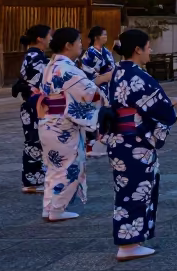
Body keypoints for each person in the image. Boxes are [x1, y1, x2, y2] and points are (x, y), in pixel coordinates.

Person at [101, 29, 177, 261]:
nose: (150, 51)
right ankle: (128, 244)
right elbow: (162, 109)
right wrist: (173, 106)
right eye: (148, 46)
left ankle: (131, 239)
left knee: (126, 189)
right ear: (137, 49)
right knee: (137, 189)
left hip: (118, 140)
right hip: (135, 142)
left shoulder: (116, 73)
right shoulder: (139, 77)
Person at [37, 27, 103, 222]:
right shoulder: (67, 69)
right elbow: (91, 93)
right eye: (79, 42)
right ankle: (56, 209)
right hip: (63, 125)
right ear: (68, 45)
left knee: (53, 166)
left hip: (48, 122)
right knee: (68, 166)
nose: (81, 45)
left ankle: (49, 206)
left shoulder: (50, 66)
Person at [15, 25, 51, 193]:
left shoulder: (33, 55)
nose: (51, 38)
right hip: (35, 102)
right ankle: (33, 180)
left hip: (32, 101)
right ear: (40, 39)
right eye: (49, 35)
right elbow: (42, 81)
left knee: (35, 139)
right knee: (35, 140)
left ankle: (33, 178)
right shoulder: (36, 57)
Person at [79, 26, 116, 158]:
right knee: (95, 115)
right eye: (103, 35)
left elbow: (112, 67)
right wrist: (102, 78)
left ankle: (104, 140)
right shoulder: (89, 53)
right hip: (96, 87)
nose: (106, 37)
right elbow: (87, 72)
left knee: (108, 114)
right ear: (96, 37)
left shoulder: (106, 52)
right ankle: (92, 143)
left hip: (108, 87)